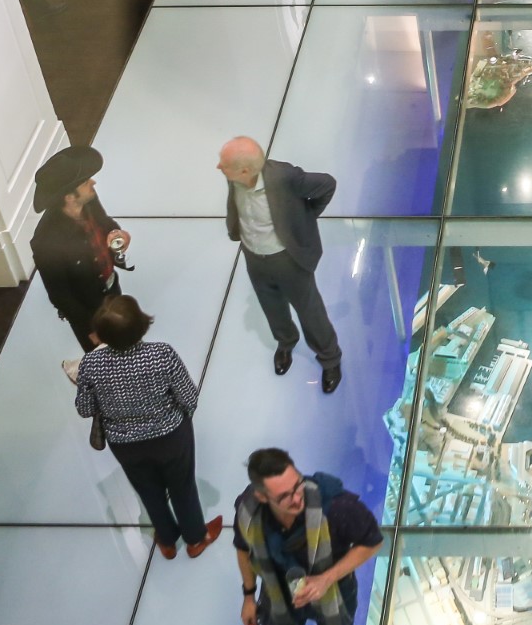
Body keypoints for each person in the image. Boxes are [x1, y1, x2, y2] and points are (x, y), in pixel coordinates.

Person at [233, 449, 383, 625]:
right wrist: (248, 596)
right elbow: (243, 548)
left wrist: (326, 578)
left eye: (297, 485)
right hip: (279, 589)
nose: (297, 498)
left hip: (333, 590)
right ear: (261, 496)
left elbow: (372, 541)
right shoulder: (248, 511)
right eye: (284, 496)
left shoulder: (336, 507)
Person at [75, 295, 223, 560]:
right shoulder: (161, 354)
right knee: (182, 488)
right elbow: (189, 397)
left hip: (125, 445)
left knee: (149, 492)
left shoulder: (91, 364)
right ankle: (195, 539)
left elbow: (84, 409)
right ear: (142, 324)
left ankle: (166, 540)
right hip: (170, 438)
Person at [218, 137, 344, 390]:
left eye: (224, 164)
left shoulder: (284, 178)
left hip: (287, 259)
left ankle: (330, 358)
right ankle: (286, 342)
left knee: (309, 310)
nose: (219, 167)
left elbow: (327, 185)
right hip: (254, 255)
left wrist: (305, 219)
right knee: (271, 305)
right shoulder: (235, 176)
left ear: (244, 170)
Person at [30, 144, 127, 452]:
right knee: (104, 364)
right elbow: (60, 295)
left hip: (110, 287)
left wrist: (117, 236)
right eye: (86, 182)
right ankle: (103, 412)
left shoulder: (90, 203)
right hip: (88, 310)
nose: (93, 185)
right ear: (69, 196)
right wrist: (90, 329)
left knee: (123, 346)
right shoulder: (46, 241)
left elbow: (107, 224)